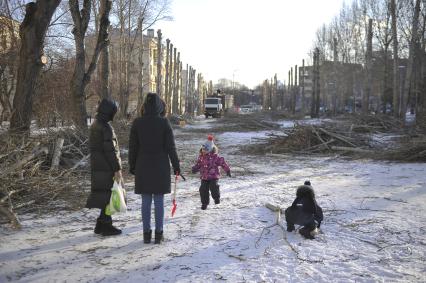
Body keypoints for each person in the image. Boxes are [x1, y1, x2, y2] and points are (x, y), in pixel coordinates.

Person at [128, 93, 180, 244]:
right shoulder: (164, 123)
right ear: (159, 106)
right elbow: (171, 148)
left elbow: (133, 147)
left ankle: (146, 234)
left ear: (145, 105)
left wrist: (132, 166)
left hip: (142, 166)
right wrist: (176, 166)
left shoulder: (137, 123)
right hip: (160, 167)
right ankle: (159, 234)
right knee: (158, 201)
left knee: (145, 201)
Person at [86, 98, 123, 236]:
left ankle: (100, 224)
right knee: (109, 196)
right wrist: (117, 169)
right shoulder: (105, 127)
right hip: (106, 167)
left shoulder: (96, 124)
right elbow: (110, 151)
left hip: (99, 166)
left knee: (106, 195)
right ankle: (106, 225)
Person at [192, 135, 231, 210]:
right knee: (203, 189)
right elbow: (198, 164)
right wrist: (195, 168)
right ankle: (204, 203)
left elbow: (223, 163)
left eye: (206, 149)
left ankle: (216, 198)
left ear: (210, 149)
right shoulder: (201, 157)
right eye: (203, 149)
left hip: (214, 176)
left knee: (213, 187)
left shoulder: (215, 157)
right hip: (204, 177)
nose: (204, 151)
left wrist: (227, 170)